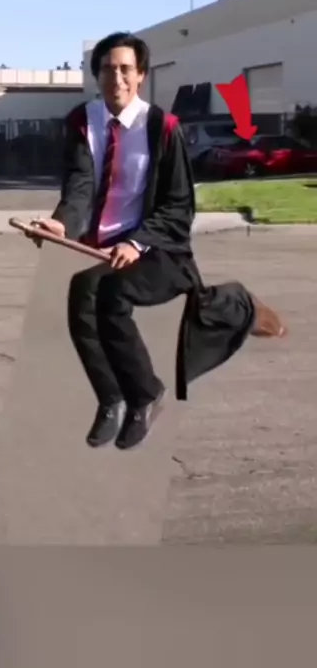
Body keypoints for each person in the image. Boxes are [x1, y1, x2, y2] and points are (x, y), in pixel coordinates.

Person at [30, 32, 287, 451]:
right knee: (81, 293)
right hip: (102, 248)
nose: (116, 78)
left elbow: (179, 205)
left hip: (159, 249)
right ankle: (111, 398)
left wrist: (137, 243)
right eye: (107, 69)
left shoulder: (162, 128)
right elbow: (79, 186)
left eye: (125, 69)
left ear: (141, 76)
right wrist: (61, 225)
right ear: (96, 74)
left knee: (111, 292)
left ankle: (146, 394)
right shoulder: (82, 122)